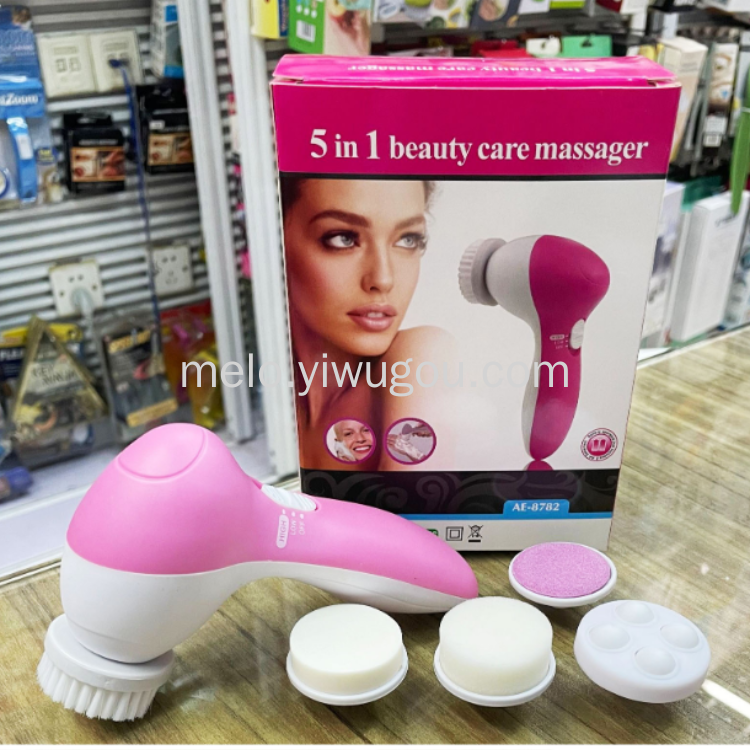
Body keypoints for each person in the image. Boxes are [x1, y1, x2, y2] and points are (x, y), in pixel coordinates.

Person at [281, 177, 455, 470]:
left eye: (408, 239)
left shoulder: (418, 360)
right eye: (343, 238)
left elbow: (412, 498)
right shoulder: (262, 405)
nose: (383, 279)